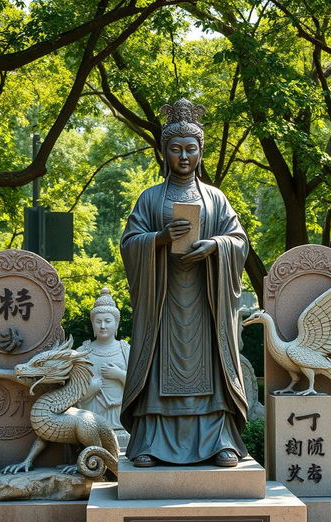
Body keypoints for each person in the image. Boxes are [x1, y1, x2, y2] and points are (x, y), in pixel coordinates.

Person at [120, 98, 249, 468]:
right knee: (158, 364)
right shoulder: (149, 198)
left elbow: (238, 240)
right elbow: (130, 242)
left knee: (209, 364)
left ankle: (218, 439)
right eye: (175, 149)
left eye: (190, 149)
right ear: (164, 152)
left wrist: (216, 245)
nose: (183, 156)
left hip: (206, 298)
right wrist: (158, 239)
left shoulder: (216, 198)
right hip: (162, 297)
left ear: (201, 152)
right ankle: (150, 441)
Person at [78, 287, 130, 448]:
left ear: (116, 324)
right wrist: (91, 389)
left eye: (107, 321)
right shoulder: (83, 352)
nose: (102, 326)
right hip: (92, 420)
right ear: (92, 324)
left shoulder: (126, 349)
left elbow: (138, 386)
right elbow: (74, 391)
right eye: (98, 321)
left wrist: (120, 374)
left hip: (120, 419)